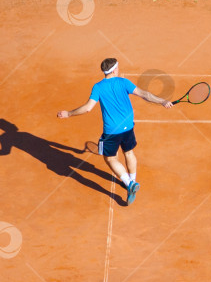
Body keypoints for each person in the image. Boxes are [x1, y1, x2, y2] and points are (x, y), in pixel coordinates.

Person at [57, 58, 172, 205]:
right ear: (115, 70)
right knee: (129, 153)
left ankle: (129, 184)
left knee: (110, 158)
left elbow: (87, 108)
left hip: (112, 131)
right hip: (128, 127)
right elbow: (144, 94)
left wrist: (69, 113)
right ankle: (132, 180)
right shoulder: (123, 82)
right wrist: (162, 101)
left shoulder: (98, 87)